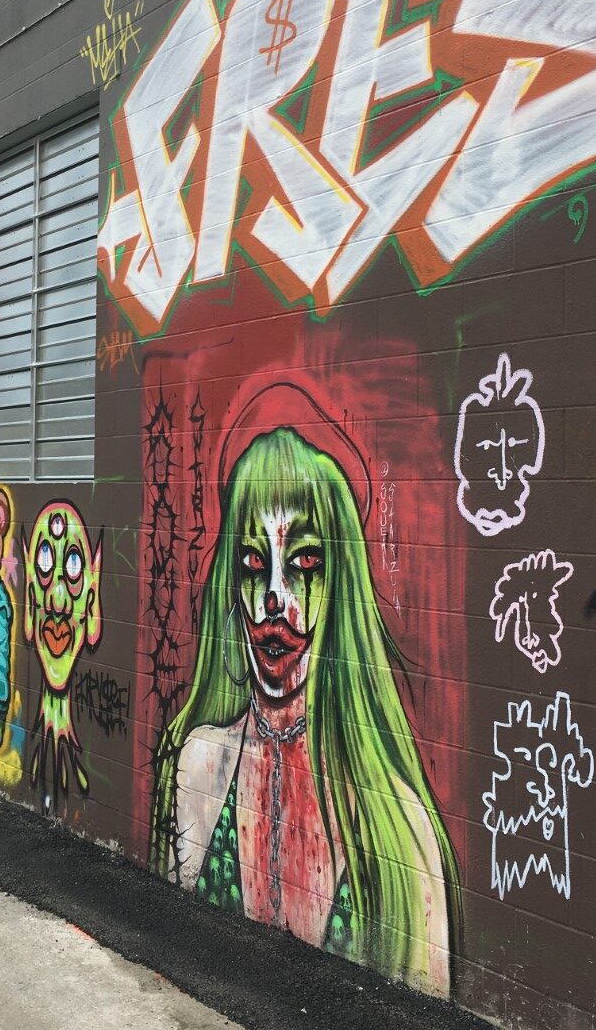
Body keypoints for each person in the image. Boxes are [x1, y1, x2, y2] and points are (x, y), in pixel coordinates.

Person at [150, 385, 458, 992]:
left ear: (341, 585)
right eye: (252, 563)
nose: (274, 597)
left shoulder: (399, 824)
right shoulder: (201, 764)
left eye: (305, 563)